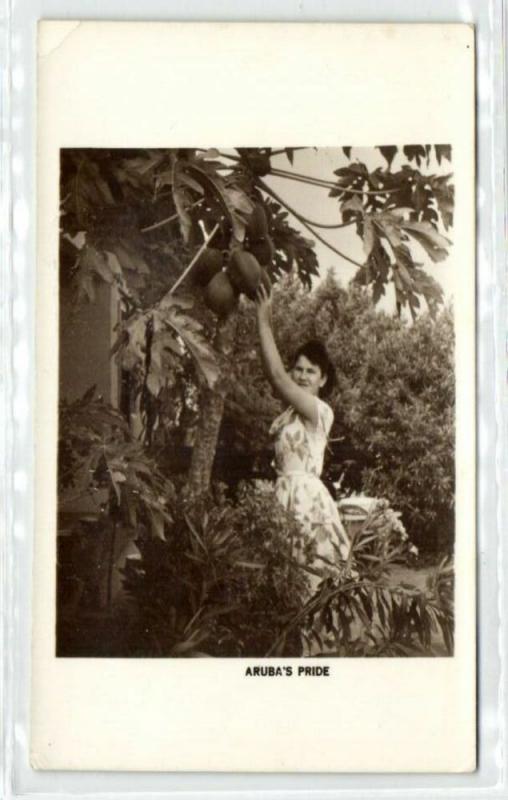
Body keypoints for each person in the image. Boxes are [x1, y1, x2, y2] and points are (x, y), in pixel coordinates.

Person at [255, 282, 351, 601]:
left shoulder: (319, 411)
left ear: (323, 379)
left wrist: (263, 318)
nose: (302, 376)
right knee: (281, 591)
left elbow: (276, 377)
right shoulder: (289, 415)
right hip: (284, 500)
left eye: (311, 371)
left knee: (309, 586)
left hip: (307, 505)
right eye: (298, 369)